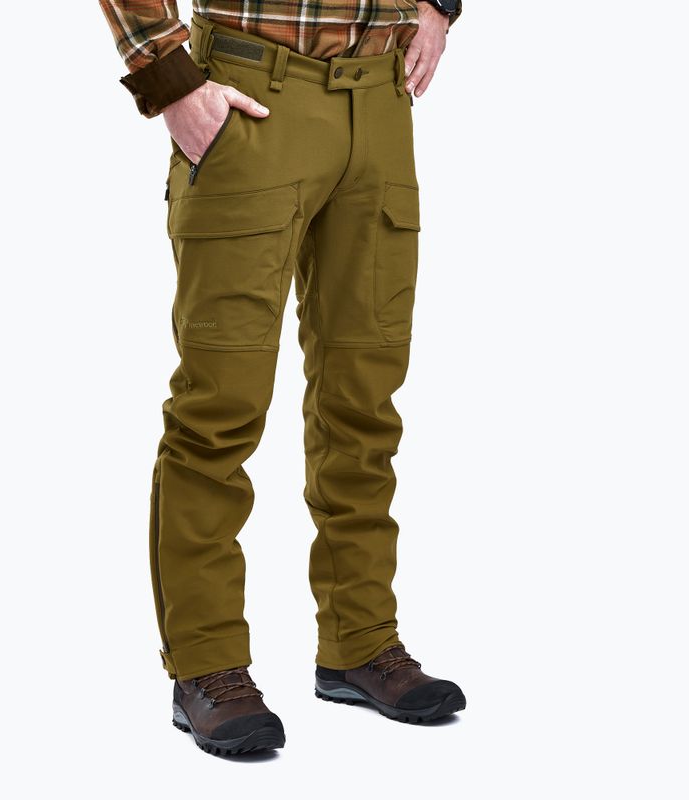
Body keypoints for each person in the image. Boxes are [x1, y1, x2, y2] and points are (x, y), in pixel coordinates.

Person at [99, 0, 467, 756]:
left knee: (364, 406)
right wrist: (170, 82)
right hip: (251, 98)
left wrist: (441, 5)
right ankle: (206, 665)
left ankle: (361, 642)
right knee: (219, 409)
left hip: (381, 101)